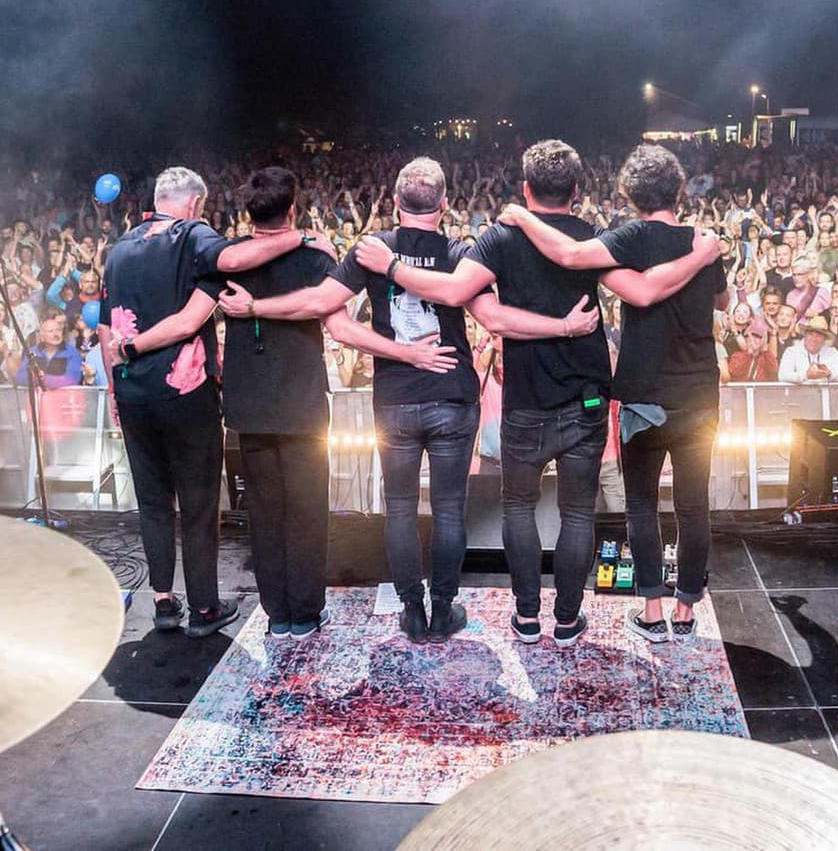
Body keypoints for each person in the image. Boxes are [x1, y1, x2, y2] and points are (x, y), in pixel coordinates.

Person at [220, 156, 600, 644]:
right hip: (452, 396)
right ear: (444, 205)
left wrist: (254, 307)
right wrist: (565, 327)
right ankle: (443, 609)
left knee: (400, 507)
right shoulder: (460, 251)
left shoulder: (372, 248)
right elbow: (495, 319)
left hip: (396, 399)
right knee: (449, 509)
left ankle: (412, 611)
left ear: (396, 202)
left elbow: (325, 311)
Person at [354, 140, 717, 648]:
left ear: (525, 188)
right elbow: (642, 288)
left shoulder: (501, 237)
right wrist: (701, 254)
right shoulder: (591, 237)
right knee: (577, 513)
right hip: (587, 397)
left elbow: (458, 295)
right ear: (576, 190)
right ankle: (567, 620)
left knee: (519, 509)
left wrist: (392, 267)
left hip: (525, 398)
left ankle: (526, 618)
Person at [497, 144, 729, 642]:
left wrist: (521, 214)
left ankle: (652, 611)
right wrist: (700, 260)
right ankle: (685, 612)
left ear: (629, 194)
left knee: (641, 504)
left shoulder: (628, 238)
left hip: (645, 394)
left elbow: (570, 255)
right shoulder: (703, 241)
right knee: (693, 505)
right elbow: (724, 299)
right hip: (699, 393)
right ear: (680, 191)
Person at [215, 166, 456, 641]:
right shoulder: (313, 256)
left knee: (263, 509)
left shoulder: (228, 259)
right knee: (306, 508)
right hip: (299, 399)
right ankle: (306, 614)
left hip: (247, 401)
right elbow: (339, 326)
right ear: (293, 209)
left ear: (248, 212)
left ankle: (278, 614)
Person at [98, 165, 335, 638]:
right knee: (201, 503)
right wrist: (303, 237)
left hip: (134, 392)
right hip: (185, 391)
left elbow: (106, 328)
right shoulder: (194, 237)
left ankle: (164, 603)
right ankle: (205, 607)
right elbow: (197, 311)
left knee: (153, 502)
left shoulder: (118, 249)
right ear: (193, 204)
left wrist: (115, 385)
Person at [778, 315, 838, 385]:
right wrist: (806, 375)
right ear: (805, 335)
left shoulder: (832, 352)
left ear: (824, 339)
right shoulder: (792, 352)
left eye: (818, 336)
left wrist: (829, 374)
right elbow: (782, 376)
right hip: (799, 394)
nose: (814, 339)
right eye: (810, 334)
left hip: (825, 394)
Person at [17, 311, 83, 389]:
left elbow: (72, 380)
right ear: (42, 336)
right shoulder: (32, 352)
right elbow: (20, 377)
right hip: (37, 396)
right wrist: (36, 378)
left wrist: (43, 379)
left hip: (62, 396)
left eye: (59, 330)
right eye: (51, 331)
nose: (56, 334)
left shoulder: (72, 353)